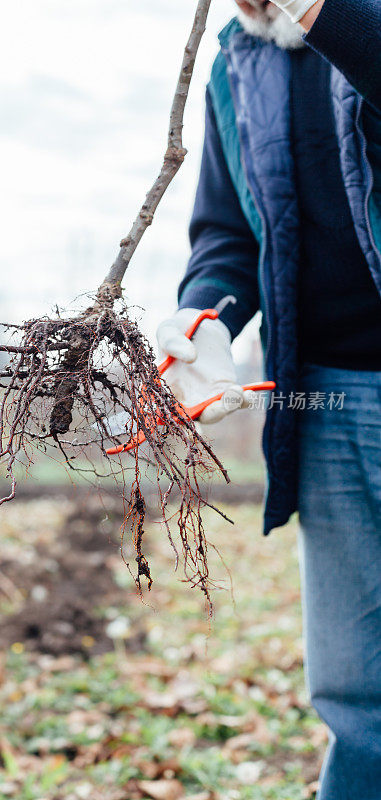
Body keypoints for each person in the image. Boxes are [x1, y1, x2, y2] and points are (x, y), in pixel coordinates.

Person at [156, 1, 381, 797]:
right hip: (324, 397)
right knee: (356, 696)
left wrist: (324, 11)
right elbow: (227, 233)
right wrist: (205, 316)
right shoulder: (235, 61)